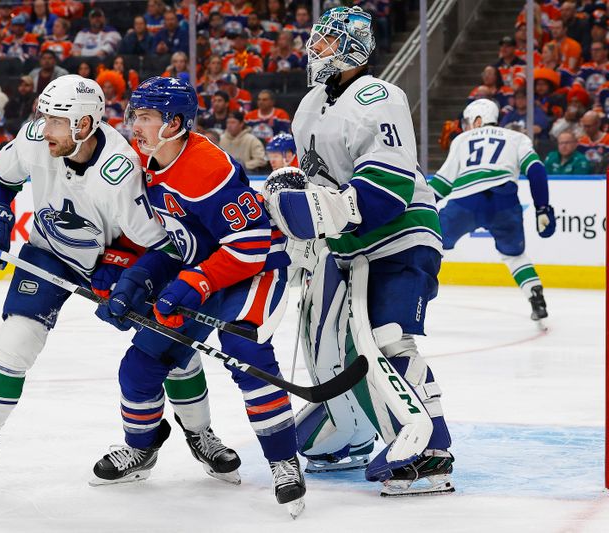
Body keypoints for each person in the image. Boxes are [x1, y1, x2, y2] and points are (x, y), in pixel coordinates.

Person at [0, 75, 239, 495]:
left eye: (56, 121)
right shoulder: (35, 138)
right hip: (49, 250)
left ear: (84, 125)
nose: (43, 128)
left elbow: (161, 244)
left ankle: (199, 432)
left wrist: (122, 269)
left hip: (106, 259)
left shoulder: (120, 171)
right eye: (44, 117)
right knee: (15, 341)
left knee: (167, 343)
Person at [263, 6, 454, 497]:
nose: (315, 49)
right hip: (348, 244)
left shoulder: (378, 95)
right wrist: (295, 204)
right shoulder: (309, 105)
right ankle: (346, 431)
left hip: (401, 232)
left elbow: (384, 189)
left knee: (388, 336)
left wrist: (317, 211)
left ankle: (431, 453)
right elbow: (318, 179)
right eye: (317, 40)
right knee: (325, 341)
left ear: (354, 50)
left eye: (327, 42)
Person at [94, 76, 305, 517]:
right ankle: (141, 449)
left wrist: (195, 284)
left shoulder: (208, 168)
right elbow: (174, 239)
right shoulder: (146, 161)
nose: (136, 125)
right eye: (135, 115)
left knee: (245, 352)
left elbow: (248, 245)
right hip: (205, 264)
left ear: (174, 123)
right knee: (140, 363)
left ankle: (284, 462)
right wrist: (137, 278)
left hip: (253, 268)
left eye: (146, 117)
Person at [430, 99, 555, 324]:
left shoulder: (462, 139)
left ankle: (413, 296)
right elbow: (536, 169)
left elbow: (442, 184)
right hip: (504, 201)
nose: (467, 127)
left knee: (432, 244)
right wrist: (542, 207)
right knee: (514, 255)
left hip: (465, 201)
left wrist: (417, 207)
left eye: (468, 122)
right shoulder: (518, 138)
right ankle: (535, 295)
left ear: (478, 120)